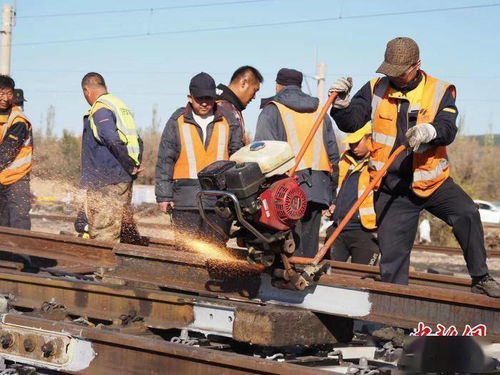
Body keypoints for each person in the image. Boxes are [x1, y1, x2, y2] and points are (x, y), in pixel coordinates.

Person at [329, 37, 499, 297]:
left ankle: (481, 277)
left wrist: (430, 130)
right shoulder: (375, 88)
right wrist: (341, 104)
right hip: (393, 187)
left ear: (417, 65)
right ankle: (393, 323)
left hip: (433, 182)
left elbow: (448, 127)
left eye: (401, 72)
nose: (394, 77)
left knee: (467, 213)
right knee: (393, 258)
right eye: (390, 72)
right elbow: (352, 122)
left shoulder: (439, 90)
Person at [255, 68, 339, 258]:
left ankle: (283, 286)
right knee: (308, 250)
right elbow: (333, 156)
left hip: (284, 191)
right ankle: (305, 285)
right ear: (300, 86)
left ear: (278, 86)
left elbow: (263, 156)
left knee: (282, 250)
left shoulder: (272, 110)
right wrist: (332, 195)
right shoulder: (320, 111)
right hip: (318, 189)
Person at [155, 72, 244, 247]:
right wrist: (164, 196)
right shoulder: (176, 121)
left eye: (209, 99)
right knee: (186, 250)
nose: (204, 103)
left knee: (215, 252)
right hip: (185, 201)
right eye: (199, 99)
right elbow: (165, 160)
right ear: (190, 97)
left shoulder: (229, 120)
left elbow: (238, 158)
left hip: (219, 201)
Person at [80, 72, 143, 243]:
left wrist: (129, 165)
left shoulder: (101, 108)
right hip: (120, 176)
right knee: (117, 226)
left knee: (104, 231)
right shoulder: (119, 105)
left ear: (87, 90)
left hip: (107, 179)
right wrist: (132, 165)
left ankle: (104, 269)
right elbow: (136, 139)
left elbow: (111, 139)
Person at [325, 122, 379, 265]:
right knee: (327, 275)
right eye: (351, 143)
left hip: (364, 232)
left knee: (362, 279)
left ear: (370, 139)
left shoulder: (379, 162)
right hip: (338, 229)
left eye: (357, 142)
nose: (353, 147)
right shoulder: (344, 160)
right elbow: (336, 186)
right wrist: (332, 203)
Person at [0, 76, 33, 230]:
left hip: (17, 179)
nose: (5, 98)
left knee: (19, 226)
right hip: (1, 177)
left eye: (9, 94)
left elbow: (5, 153)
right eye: (1, 94)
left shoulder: (18, 120)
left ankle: (22, 255)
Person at [217, 65, 263, 144]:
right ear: (243, 83)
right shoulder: (224, 108)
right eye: (254, 90)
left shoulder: (227, 106)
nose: (254, 97)